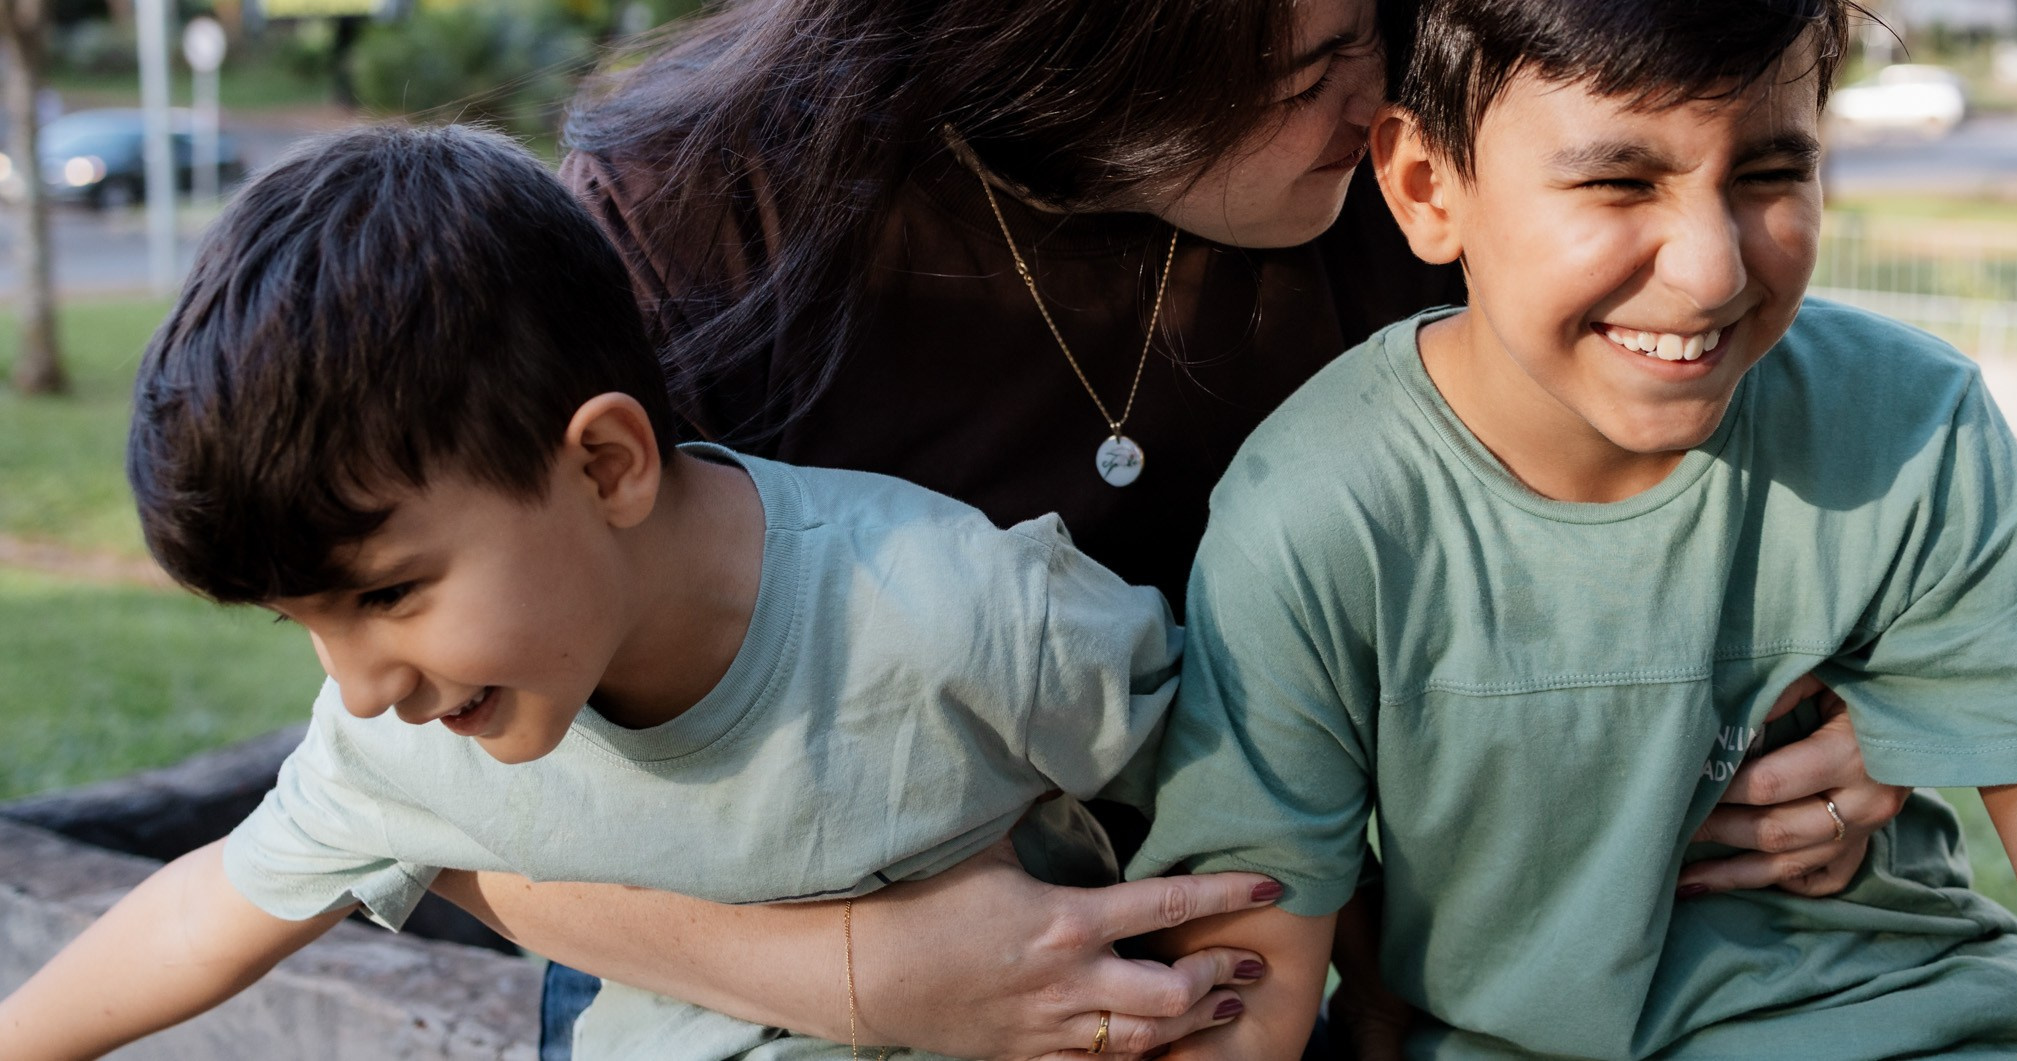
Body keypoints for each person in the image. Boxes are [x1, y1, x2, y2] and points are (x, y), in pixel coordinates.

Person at [429, 0, 1913, 1058]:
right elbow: (416, 798)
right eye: (1300, 72)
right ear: (1057, 70)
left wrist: (1871, 731)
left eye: (1371, 29)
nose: (1379, 104)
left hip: (1229, 968)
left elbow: (1726, 458)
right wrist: (883, 976)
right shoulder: (685, 224)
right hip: (747, 964)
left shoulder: (1381, 190)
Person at [1131, 0, 2017, 1061]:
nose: (1709, 268)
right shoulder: (1313, 511)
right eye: (1616, 179)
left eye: (1770, 171)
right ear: (1425, 186)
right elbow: (1244, 999)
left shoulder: (1909, 433)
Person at [0, 124, 1256, 1061]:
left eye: (387, 595)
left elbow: (1255, 792)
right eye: (304, 624)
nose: (361, 688)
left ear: (605, 464)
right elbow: (211, 908)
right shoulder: (419, 738)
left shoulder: (955, 615)